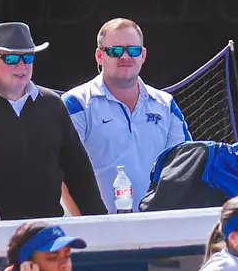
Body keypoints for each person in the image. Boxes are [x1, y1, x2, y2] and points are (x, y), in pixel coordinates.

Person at [0, 22, 104, 221]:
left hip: (47, 228)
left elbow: (78, 168)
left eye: (28, 57)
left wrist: (99, 217)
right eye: (11, 58)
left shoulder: (52, 104)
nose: (21, 65)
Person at [62, 18, 191, 210]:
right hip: (95, 228)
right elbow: (62, 173)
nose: (125, 57)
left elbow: (186, 165)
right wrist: (86, 224)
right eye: (115, 51)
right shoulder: (76, 103)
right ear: (99, 56)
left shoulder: (166, 104)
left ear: (143, 55)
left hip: (155, 226)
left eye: (133, 50)